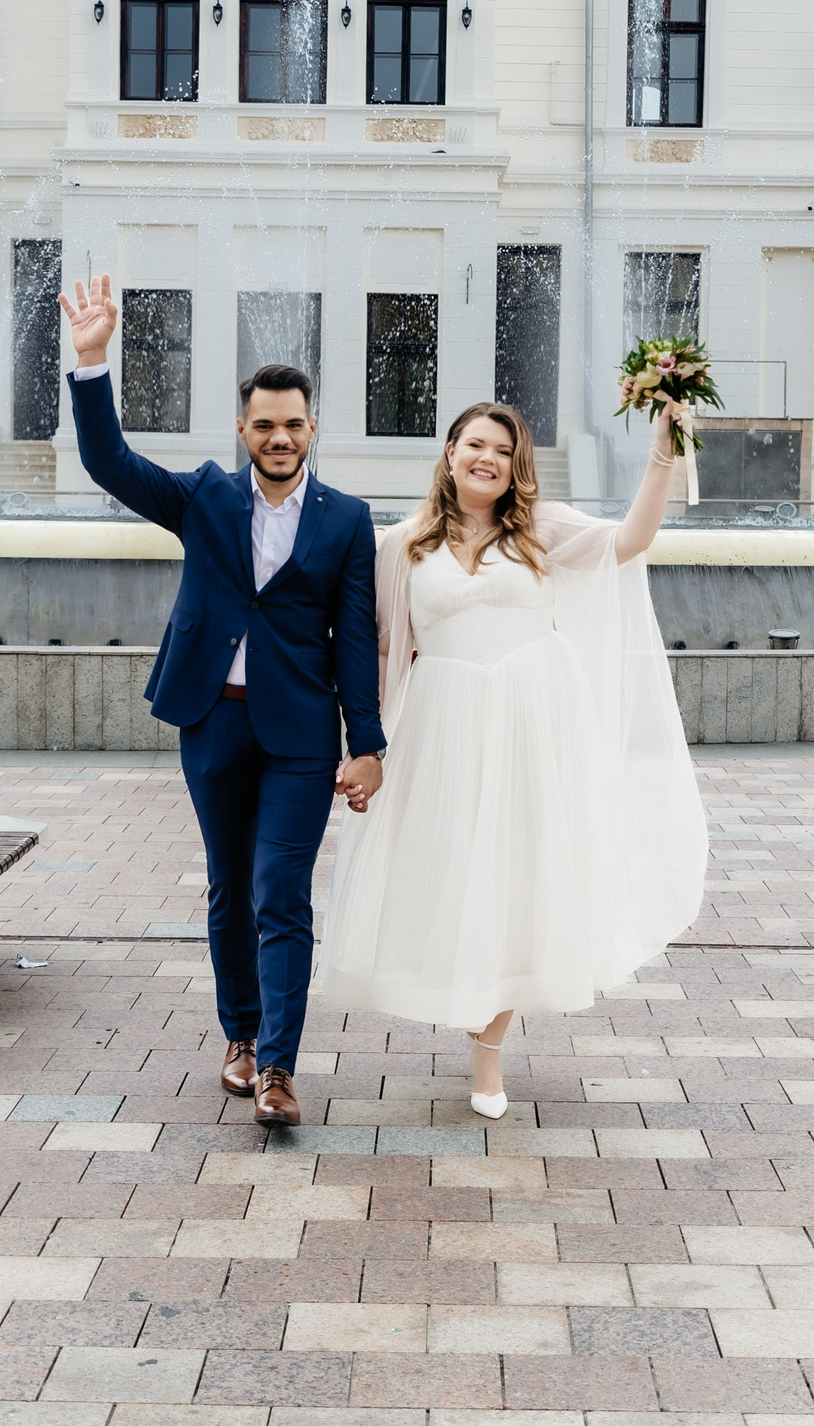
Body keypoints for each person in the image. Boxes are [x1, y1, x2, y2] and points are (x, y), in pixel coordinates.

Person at [320, 400, 708, 1117]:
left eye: (502, 449)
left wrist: (663, 451)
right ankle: (463, 988)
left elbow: (632, 538)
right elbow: (378, 651)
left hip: (533, 723)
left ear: (515, 464)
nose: (487, 458)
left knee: (519, 872)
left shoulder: (542, 527)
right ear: (449, 452)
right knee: (454, 871)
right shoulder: (402, 544)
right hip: (443, 726)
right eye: (475, 444)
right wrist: (364, 746)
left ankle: (489, 1053)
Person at [61, 273, 386, 1125]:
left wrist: (369, 743)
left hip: (301, 733)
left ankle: (278, 1066)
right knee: (228, 884)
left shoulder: (347, 520)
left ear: (313, 429)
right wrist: (92, 362)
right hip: (213, 716)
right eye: (265, 424)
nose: (280, 437)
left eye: (294, 424)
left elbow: (354, 637)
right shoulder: (204, 495)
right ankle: (239, 1036)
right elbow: (109, 462)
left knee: (281, 888)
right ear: (243, 429)